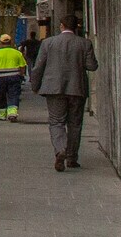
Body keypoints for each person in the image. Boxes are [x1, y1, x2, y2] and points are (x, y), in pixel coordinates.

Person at [29, 13, 100, 171]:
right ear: (76, 27)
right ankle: (72, 157)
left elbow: (38, 67)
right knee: (75, 124)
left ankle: (60, 149)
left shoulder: (48, 43)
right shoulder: (85, 43)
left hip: (54, 89)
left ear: (61, 26)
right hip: (77, 88)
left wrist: (35, 86)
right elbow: (92, 66)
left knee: (56, 122)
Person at [0, 34, 28, 121]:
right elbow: (22, 66)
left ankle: (1, 115)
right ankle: (12, 113)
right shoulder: (17, 53)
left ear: (1, 43)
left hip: (0, 78)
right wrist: (21, 75)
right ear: (10, 42)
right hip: (14, 77)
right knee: (13, 95)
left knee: (1, 95)